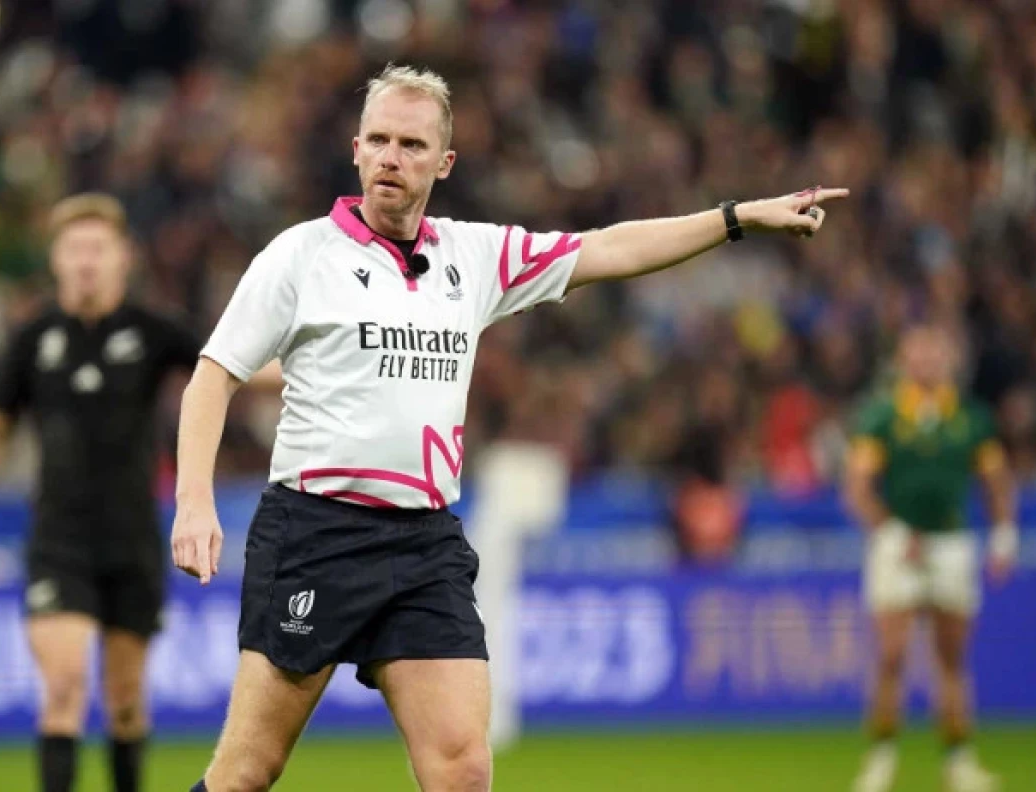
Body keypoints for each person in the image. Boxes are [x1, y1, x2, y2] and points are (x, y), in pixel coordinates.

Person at [170, 63, 847, 792]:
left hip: (423, 542)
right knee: (247, 772)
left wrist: (735, 218)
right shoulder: (300, 256)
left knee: (463, 771)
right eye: (379, 140)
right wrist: (194, 501)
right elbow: (214, 374)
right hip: (315, 534)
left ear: (445, 162)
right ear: (355, 149)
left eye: (412, 144)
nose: (392, 157)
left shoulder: (473, 256)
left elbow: (608, 249)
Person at [0, 194, 202, 792]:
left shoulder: (153, 332)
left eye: (97, 248)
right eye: (75, 248)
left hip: (133, 541)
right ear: (56, 259)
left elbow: (228, 366)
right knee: (65, 686)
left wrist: (318, 364)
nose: (86, 261)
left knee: (127, 701)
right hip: (60, 541)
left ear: (122, 258)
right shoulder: (33, 341)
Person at [845, 324, 1018, 792]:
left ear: (947, 360)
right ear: (903, 361)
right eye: (917, 354)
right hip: (897, 544)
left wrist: (1003, 536)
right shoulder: (881, 417)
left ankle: (959, 762)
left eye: (933, 353)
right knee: (891, 654)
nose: (926, 362)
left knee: (951, 658)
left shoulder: (970, 417)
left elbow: (997, 482)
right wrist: (893, 530)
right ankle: (880, 760)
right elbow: (857, 488)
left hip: (951, 545)